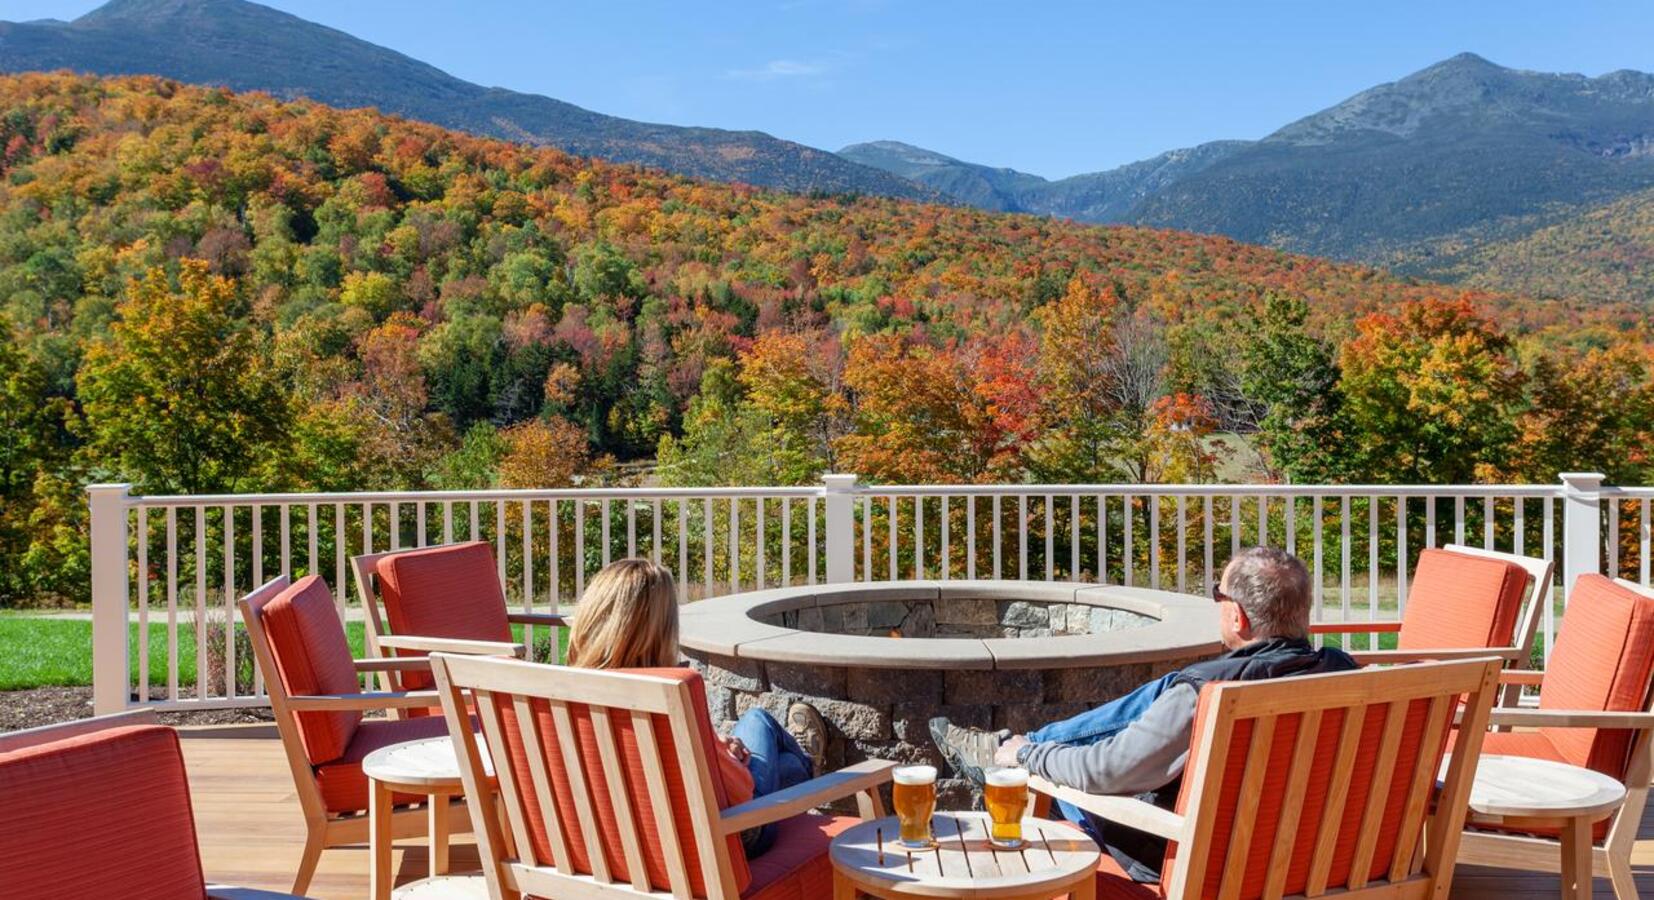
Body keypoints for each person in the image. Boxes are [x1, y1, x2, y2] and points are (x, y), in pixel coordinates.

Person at [930, 546, 1357, 883]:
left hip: (1206, 865)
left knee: (1057, 786)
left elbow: (1104, 773)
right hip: (1323, 860)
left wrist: (1027, 758)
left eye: (1218, 594)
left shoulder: (1205, 694)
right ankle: (1023, 746)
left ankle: (1011, 754)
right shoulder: (1349, 677)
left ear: (1237, 615)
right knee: (1162, 693)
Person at [566, 558, 827, 859]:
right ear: (663, 631)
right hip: (731, 837)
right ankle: (810, 771)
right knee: (762, 725)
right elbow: (742, 791)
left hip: (608, 846)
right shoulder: (672, 695)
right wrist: (728, 759)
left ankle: (806, 767)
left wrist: (717, 748)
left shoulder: (553, 694)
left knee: (766, 740)